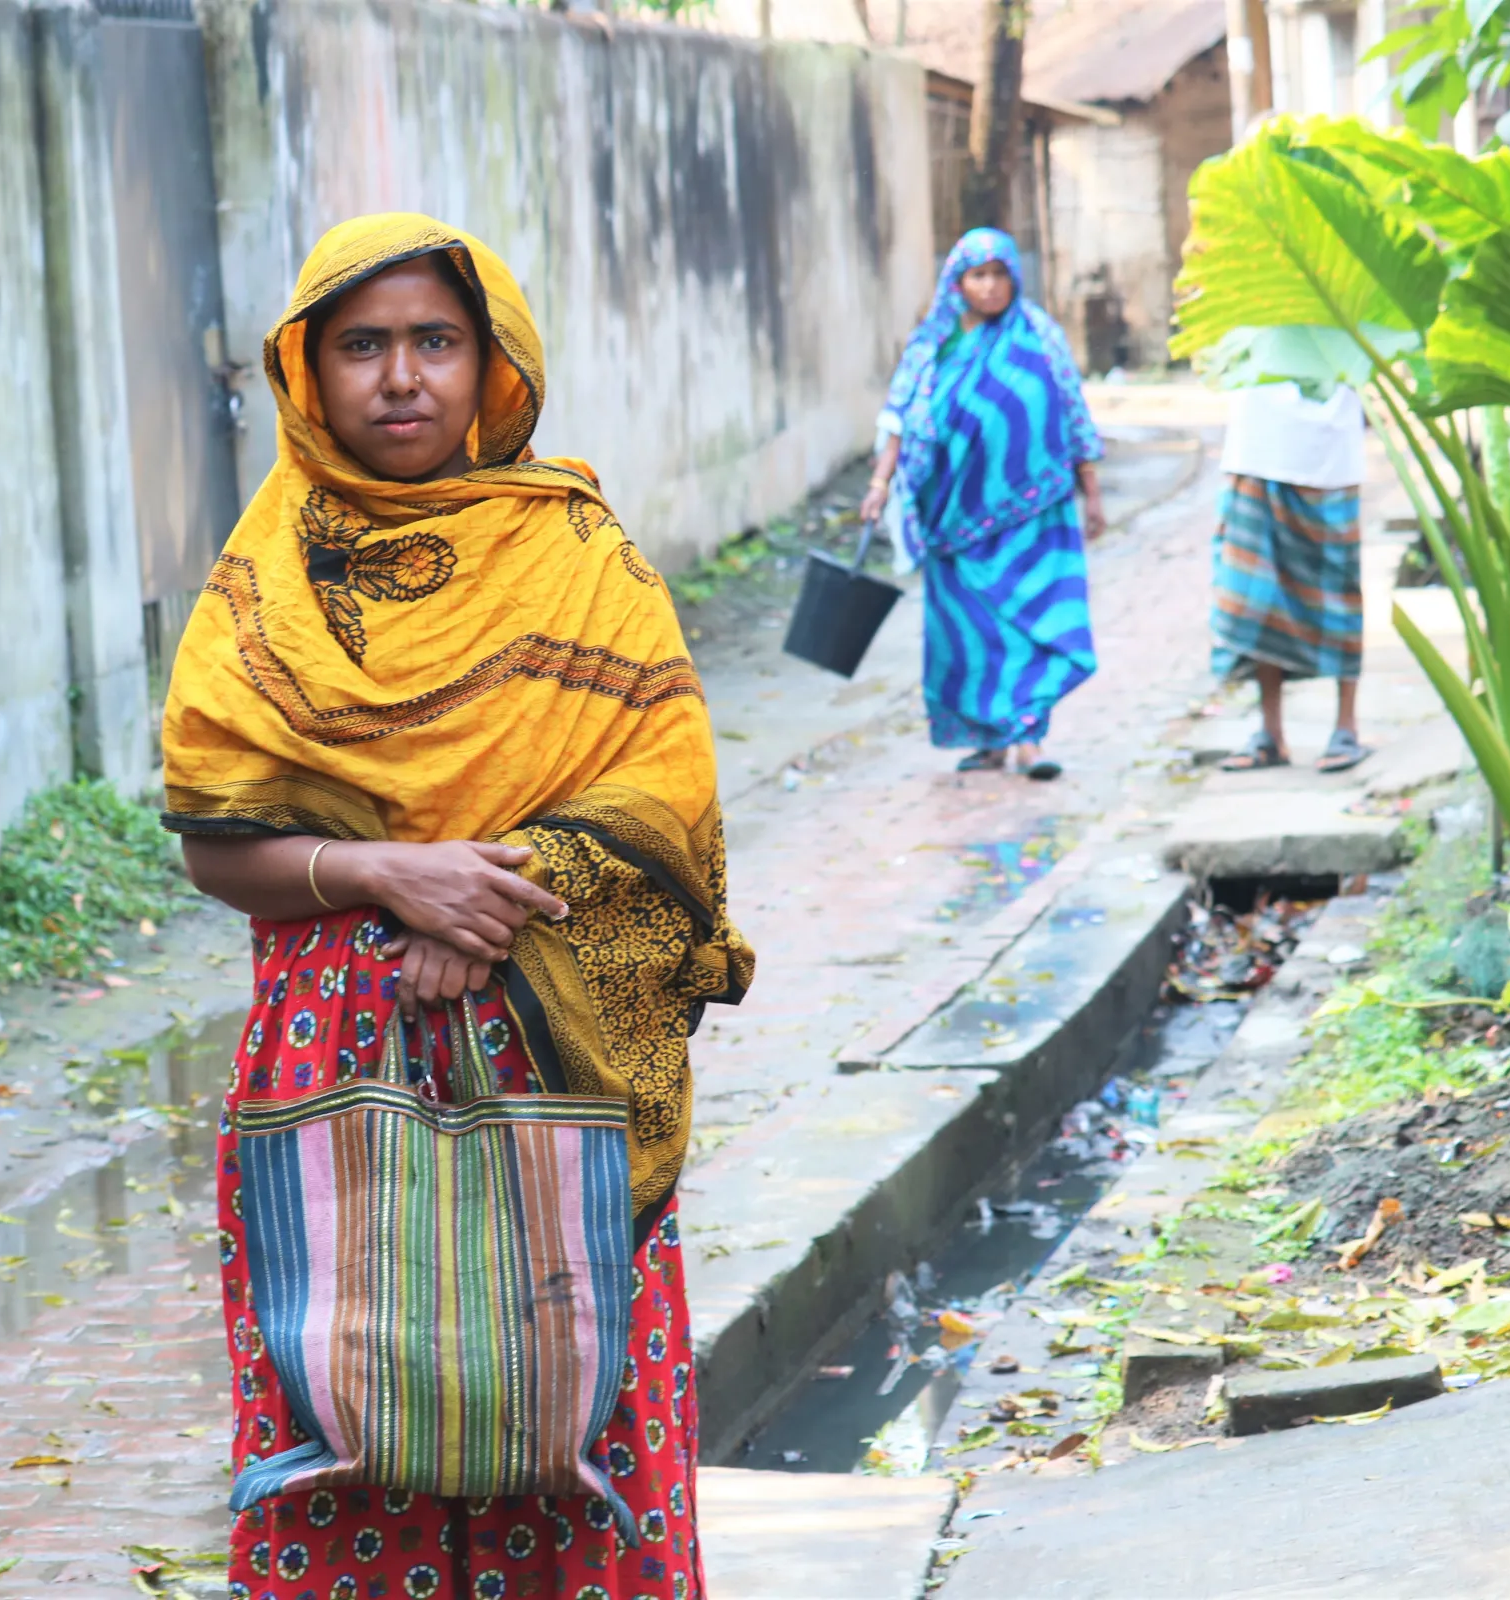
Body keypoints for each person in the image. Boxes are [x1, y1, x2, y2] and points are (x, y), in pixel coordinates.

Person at [161, 213, 754, 1600]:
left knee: (573, 1410)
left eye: (436, 340)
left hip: (554, 1061)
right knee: (349, 1409)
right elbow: (214, 840)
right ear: (310, 373)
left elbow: (669, 800)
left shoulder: (580, 559)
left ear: (493, 361)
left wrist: (485, 895)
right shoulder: (266, 584)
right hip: (334, 1072)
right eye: (363, 346)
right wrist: (386, 872)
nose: (403, 377)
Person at [858, 228, 1105, 780]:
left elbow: (1071, 410)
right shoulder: (932, 345)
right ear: (958, 281)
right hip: (952, 517)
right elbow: (897, 420)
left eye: (999, 274)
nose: (990, 287)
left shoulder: (1039, 335)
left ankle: (1029, 738)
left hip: (1033, 514)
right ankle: (989, 741)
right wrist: (879, 486)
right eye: (978, 275)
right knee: (969, 635)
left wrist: (1092, 492)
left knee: (1030, 623)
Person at [1211, 381, 1370, 772]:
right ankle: (1270, 734)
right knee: (1258, 601)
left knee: (1338, 593)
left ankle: (1345, 728)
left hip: (1330, 449)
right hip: (1257, 444)